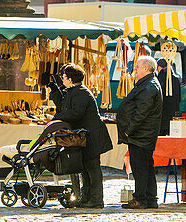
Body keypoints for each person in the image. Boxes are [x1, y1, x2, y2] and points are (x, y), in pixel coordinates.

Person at [53, 63, 112, 209]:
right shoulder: (74, 91)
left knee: (92, 169)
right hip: (84, 136)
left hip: (92, 136)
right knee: (85, 169)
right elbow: (64, 106)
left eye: (64, 77)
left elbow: (75, 113)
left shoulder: (81, 92)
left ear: (71, 79)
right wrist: (55, 92)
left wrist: (56, 117)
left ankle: (96, 200)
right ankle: (86, 199)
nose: (62, 79)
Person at [116, 56, 162, 210]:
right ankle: (150, 199)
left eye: (137, 66)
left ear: (146, 69)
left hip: (141, 135)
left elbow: (141, 112)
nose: (134, 69)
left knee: (140, 168)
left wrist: (129, 130)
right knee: (146, 167)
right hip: (143, 134)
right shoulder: (147, 84)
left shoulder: (149, 86)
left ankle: (141, 199)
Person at [156, 58, 182, 137]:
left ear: (159, 67)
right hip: (172, 112)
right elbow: (179, 97)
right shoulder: (176, 79)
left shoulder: (160, 78)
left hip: (162, 112)